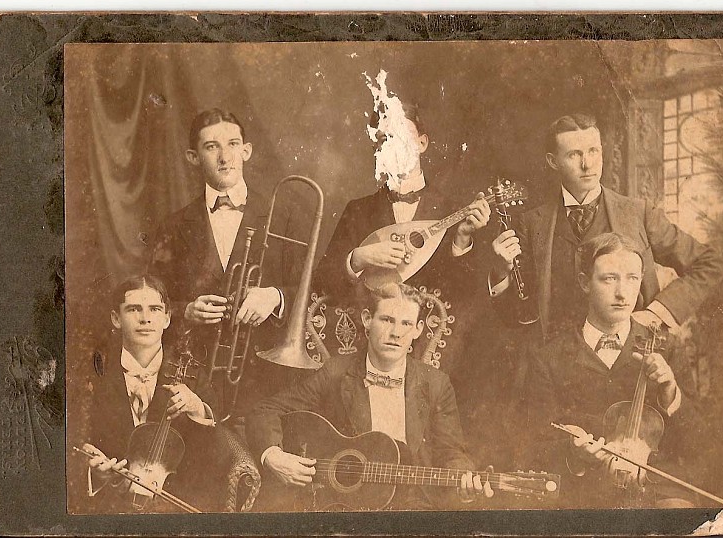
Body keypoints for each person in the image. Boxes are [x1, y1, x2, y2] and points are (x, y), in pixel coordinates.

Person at [246, 282, 493, 511]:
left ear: (418, 330)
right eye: (387, 320)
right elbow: (265, 410)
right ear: (367, 319)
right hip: (346, 505)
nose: (396, 333)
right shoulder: (336, 372)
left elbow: (451, 451)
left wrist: (464, 478)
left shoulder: (436, 384)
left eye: (406, 323)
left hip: (413, 505)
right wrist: (273, 455)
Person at [490, 113, 723, 343]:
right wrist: (501, 272)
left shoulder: (639, 213)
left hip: (630, 357)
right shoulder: (532, 224)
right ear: (553, 161)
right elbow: (519, 314)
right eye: (574, 154)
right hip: (558, 360)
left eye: (593, 151)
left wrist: (657, 313)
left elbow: (709, 263)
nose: (587, 164)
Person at [147, 108, 304, 418]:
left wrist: (274, 297)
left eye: (232, 144)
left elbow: (311, 288)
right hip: (196, 380)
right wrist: (186, 311)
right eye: (211, 147)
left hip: (268, 377)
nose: (224, 157)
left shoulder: (284, 214)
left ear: (246, 151)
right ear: (193, 157)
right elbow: (152, 300)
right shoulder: (173, 226)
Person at [526, 233, 695, 508]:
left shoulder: (668, 348)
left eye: (632, 278)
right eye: (609, 279)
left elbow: (700, 443)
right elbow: (533, 445)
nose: (622, 293)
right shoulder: (548, 358)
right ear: (585, 283)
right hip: (584, 498)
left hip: (656, 494)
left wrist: (671, 394)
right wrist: (574, 454)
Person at [315, 101, 490, 309]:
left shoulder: (453, 211)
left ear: (422, 143)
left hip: (431, 327)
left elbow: (468, 296)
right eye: (384, 140)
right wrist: (357, 259)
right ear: (377, 150)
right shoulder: (358, 211)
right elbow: (322, 285)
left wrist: (461, 240)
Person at [82, 275, 218, 513]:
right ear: (116, 318)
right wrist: (93, 471)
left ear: (167, 318)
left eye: (154, 309)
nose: (145, 319)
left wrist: (197, 407)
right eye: (134, 309)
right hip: (108, 503)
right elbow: (78, 439)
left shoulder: (192, 371)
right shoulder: (94, 372)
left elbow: (214, 436)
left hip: (173, 505)